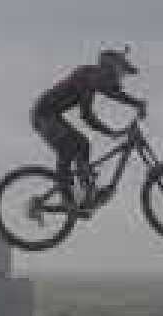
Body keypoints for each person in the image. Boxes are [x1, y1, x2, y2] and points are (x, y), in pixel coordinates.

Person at [31, 47, 147, 207]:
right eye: (119, 73)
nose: (119, 79)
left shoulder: (92, 80)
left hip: (52, 115)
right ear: (108, 68)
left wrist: (135, 105)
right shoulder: (85, 76)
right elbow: (90, 112)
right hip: (43, 115)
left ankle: (86, 190)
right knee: (69, 147)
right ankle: (66, 197)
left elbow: (105, 97)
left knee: (84, 144)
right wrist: (113, 129)